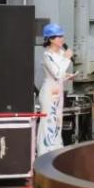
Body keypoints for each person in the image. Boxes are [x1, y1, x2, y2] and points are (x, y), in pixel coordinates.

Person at [37, 23, 77, 156]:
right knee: (48, 121)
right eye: (59, 37)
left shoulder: (60, 53)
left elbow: (60, 74)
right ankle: (44, 152)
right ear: (51, 39)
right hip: (49, 92)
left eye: (62, 36)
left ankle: (55, 152)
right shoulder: (47, 55)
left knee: (58, 121)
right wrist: (66, 58)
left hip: (58, 91)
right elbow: (56, 73)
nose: (62, 39)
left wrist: (68, 76)